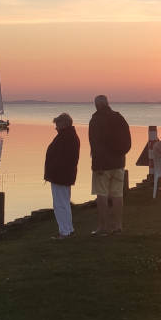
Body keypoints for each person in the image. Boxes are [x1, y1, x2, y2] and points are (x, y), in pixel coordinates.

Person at [89, 95, 131, 235]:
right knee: (117, 195)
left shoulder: (95, 120)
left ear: (96, 105)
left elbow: (94, 145)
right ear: (107, 103)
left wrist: (97, 165)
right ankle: (117, 226)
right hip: (119, 163)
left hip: (103, 165)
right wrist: (121, 155)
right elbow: (127, 141)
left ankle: (103, 227)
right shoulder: (119, 117)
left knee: (101, 195)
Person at [44, 112, 80, 238]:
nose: (56, 127)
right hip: (63, 175)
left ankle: (64, 231)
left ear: (64, 124)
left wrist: (53, 171)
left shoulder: (66, 137)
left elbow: (62, 158)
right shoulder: (68, 136)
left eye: (57, 124)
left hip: (60, 176)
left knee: (60, 204)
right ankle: (68, 229)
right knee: (64, 203)